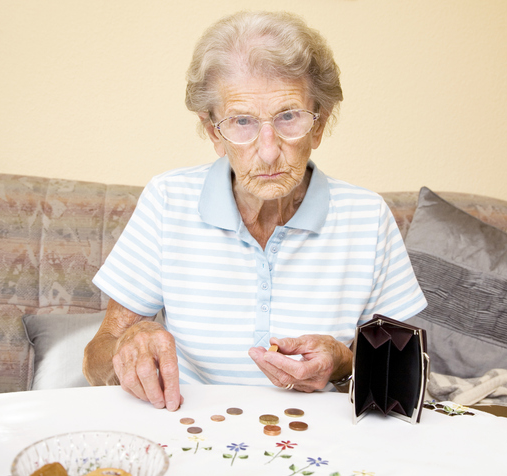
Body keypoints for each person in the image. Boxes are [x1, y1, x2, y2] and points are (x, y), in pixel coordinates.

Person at [83, 10, 426, 411]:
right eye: (242, 121)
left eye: (289, 117)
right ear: (214, 131)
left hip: (320, 443)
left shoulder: (368, 217)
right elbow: (94, 361)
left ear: (319, 125)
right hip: (191, 429)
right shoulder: (168, 200)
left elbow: (404, 374)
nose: (267, 150)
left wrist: (341, 361)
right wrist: (127, 345)